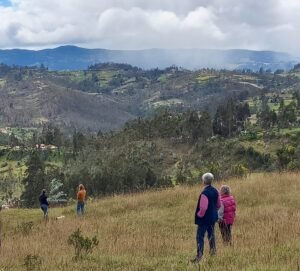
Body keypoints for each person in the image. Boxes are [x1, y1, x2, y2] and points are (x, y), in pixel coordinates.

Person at [191, 172, 220, 263]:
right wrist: (213, 211)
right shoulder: (216, 191)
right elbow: (219, 205)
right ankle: (213, 253)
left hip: (204, 219)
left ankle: (199, 256)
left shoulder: (204, 193)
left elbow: (203, 208)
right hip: (213, 217)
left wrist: (199, 215)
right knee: (211, 236)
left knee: (200, 237)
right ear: (211, 180)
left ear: (204, 181)